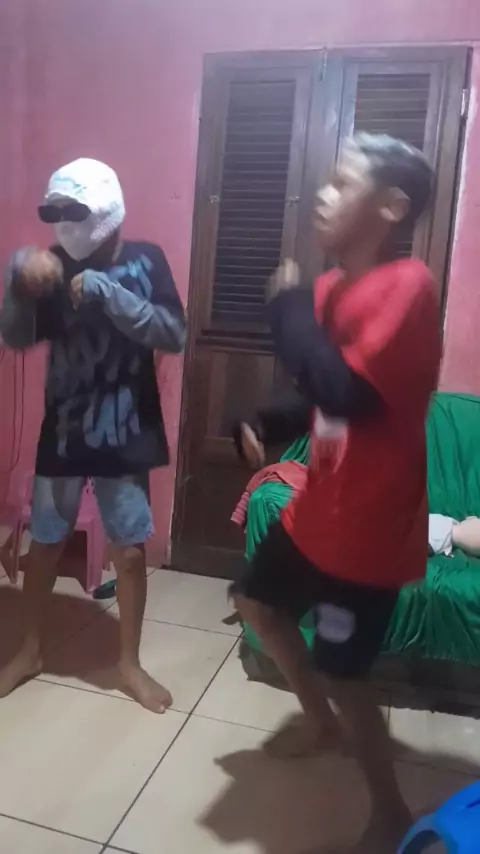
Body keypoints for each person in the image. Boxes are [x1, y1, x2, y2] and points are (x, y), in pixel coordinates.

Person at [232, 134, 442, 852]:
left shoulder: (409, 286)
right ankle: (319, 724)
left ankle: (391, 810)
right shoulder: (327, 291)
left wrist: (287, 305)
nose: (322, 196)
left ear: (391, 206)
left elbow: (348, 391)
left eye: (341, 183)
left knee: (345, 671)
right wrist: (266, 422)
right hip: (319, 509)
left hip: (369, 532)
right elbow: (320, 392)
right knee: (256, 602)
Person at [0, 157, 186, 713]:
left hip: (126, 431)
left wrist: (111, 294)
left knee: (128, 552)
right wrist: (17, 283)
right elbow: (15, 338)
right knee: (44, 545)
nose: (65, 224)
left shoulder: (146, 259)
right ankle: (29, 650)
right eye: (55, 212)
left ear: (106, 208)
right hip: (63, 430)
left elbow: (173, 334)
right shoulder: (51, 266)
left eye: (75, 211)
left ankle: (128, 663)